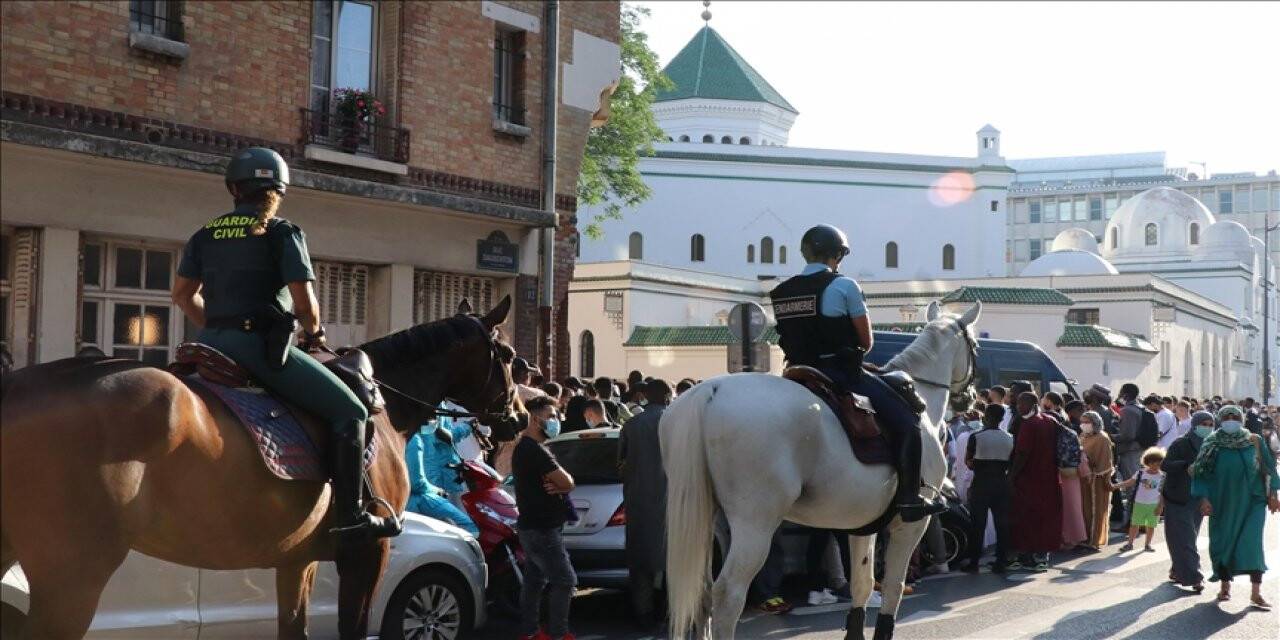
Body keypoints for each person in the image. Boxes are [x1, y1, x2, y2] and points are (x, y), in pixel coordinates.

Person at [171, 147, 394, 540]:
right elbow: (304, 302)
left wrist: (219, 326)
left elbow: (183, 295)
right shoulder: (282, 232)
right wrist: (315, 333)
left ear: (234, 189)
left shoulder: (204, 234)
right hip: (259, 349)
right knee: (352, 412)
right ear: (277, 192)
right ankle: (350, 516)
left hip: (211, 344)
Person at [768, 224, 945, 521]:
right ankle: (910, 499)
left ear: (805, 252)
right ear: (837, 255)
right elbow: (866, 341)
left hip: (795, 373)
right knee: (908, 422)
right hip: (839, 374)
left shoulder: (781, 292)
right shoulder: (844, 286)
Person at [1191, 404, 1280, 608]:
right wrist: (1203, 498)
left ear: (1241, 419)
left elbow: (1269, 467)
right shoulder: (1211, 443)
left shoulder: (1254, 440)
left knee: (1252, 544)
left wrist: (1273, 493)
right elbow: (1200, 473)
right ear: (1221, 419)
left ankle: (1256, 592)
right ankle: (1224, 587)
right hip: (1222, 502)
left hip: (1253, 502)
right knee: (1223, 543)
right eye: (1227, 416)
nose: (1231, 419)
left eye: (1235, 416)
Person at [512, 395, 577, 640]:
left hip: (534, 527)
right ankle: (559, 634)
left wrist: (562, 486)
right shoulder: (534, 450)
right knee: (565, 581)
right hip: (542, 529)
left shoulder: (528, 449)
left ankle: (530, 632)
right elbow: (567, 481)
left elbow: (563, 484)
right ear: (534, 418)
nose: (555, 421)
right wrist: (564, 486)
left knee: (534, 581)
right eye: (550, 416)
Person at [618, 379, 671, 628]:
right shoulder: (677, 423)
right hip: (673, 504)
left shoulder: (631, 425)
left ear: (645, 396)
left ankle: (643, 613)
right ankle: (670, 610)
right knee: (674, 560)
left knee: (640, 564)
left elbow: (621, 464)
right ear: (668, 395)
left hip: (638, 504)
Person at [1008, 391, 1063, 571]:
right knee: (1045, 517)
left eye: (1021, 404)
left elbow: (1022, 453)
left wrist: (1012, 476)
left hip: (1029, 479)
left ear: (1032, 404)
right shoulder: (1051, 421)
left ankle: (1029, 555)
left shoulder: (1029, 425)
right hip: (1048, 477)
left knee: (1027, 517)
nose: (1018, 407)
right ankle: (1041, 555)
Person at [1161, 409, 1213, 592]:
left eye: (1209, 425)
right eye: (1203, 424)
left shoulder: (1212, 446)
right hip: (1178, 497)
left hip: (1199, 499)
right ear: (1194, 424)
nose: (1206, 428)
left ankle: (1177, 570)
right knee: (1185, 538)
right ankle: (1194, 576)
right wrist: (1184, 466)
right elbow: (1165, 464)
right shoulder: (1181, 443)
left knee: (1187, 537)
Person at [962, 404, 1013, 573]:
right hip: (1002, 483)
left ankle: (974, 561)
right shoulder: (1010, 437)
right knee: (1002, 524)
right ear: (1001, 419)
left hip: (981, 483)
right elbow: (1012, 462)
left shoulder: (976, 437)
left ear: (986, 417)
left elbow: (968, 461)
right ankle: (1001, 560)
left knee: (978, 524)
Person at [405, 424, 479, 537]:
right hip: (422, 492)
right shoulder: (414, 440)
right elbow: (417, 483)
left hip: (432, 481)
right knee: (468, 526)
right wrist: (467, 427)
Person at [1113, 447, 1166, 553]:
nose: (1156, 466)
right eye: (1153, 463)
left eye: (1159, 464)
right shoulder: (1141, 473)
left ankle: (1148, 544)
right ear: (1147, 462)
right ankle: (1130, 544)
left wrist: (1161, 506)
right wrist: (1116, 486)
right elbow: (1130, 482)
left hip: (1153, 505)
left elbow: (1163, 493)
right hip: (1139, 503)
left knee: (1151, 526)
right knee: (1134, 524)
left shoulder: (1162, 476)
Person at [1078, 411, 1114, 550]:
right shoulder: (1083, 436)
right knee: (1084, 509)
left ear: (1095, 423)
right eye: (1082, 422)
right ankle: (1084, 537)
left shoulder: (1102, 438)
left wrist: (1103, 477)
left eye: (1087, 422)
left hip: (1097, 480)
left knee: (1097, 509)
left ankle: (1094, 540)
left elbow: (1106, 461)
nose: (1083, 425)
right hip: (1083, 479)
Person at [1113, 383, 1145, 530]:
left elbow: (1127, 435)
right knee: (1139, 487)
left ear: (1125, 394)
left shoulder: (1128, 410)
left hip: (1130, 452)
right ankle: (1140, 522)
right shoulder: (1140, 408)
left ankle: (1131, 523)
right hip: (1138, 451)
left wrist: (1109, 436)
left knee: (1132, 488)